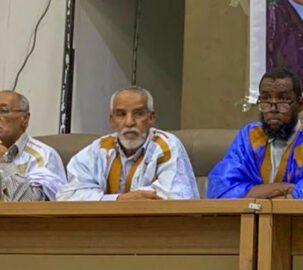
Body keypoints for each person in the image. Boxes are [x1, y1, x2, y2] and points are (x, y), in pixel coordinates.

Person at [207, 68, 303, 199]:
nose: (273, 108)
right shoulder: (249, 137)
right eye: (266, 99)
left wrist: (256, 193)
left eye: (283, 99)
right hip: (252, 221)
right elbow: (221, 190)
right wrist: (286, 188)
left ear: (300, 104)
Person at [56, 86, 198, 201]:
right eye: (121, 114)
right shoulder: (99, 149)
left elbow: (176, 198)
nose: (129, 122)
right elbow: (67, 196)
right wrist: (119, 200)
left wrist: (103, 200)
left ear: (151, 117)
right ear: (111, 120)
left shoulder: (166, 145)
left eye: (138, 113)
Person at [0, 91, 66, 201]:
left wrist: (5, 163)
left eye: (3, 111)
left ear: (25, 119)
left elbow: (34, 203)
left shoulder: (43, 156)